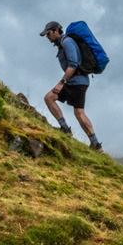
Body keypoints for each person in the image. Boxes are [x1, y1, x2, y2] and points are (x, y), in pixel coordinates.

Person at [40, 20, 102, 151]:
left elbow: (73, 65)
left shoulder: (67, 42)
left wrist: (61, 83)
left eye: (48, 33)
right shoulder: (61, 44)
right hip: (73, 81)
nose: (47, 36)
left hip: (78, 82)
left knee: (79, 113)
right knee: (49, 98)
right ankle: (65, 129)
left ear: (56, 30)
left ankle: (96, 144)